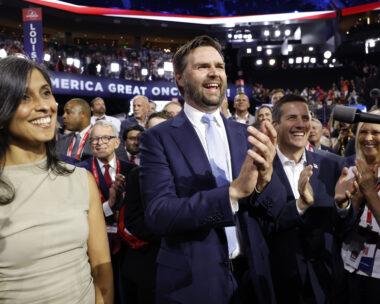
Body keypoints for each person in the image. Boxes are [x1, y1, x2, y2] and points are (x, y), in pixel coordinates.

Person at [139, 35, 277, 304]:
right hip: (193, 284)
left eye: (219, 66)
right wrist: (232, 193)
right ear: (179, 78)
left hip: (253, 280)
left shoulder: (246, 134)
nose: (214, 72)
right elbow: (159, 214)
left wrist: (265, 181)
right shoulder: (158, 138)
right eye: (202, 66)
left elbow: (272, 209)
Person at [0, 56, 113, 303]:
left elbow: (101, 273)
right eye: (24, 97)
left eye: (46, 93)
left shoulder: (81, 179)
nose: (44, 106)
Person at [252, 94, 357, 304]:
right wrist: (300, 206)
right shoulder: (259, 166)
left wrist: (342, 205)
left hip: (327, 281)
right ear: (275, 125)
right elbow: (260, 226)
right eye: (292, 118)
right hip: (277, 282)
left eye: (305, 117)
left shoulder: (334, 165)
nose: (301, 124)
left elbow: (346, 232)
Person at [77, 119, 136, 304]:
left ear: (117, 142)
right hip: (94, 247)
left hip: (128, 247)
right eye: (94, 139)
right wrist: (109, 206)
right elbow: (80, 214)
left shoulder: (132, 171)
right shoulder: (79, 172)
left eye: (105, 138)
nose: (99, 142)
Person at [120, 111, 172, 304]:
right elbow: (133, 221)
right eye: (151, 132)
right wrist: (173, 231)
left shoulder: (192, 172)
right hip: (148, 266)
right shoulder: (136, 175)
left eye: (162, 130)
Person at [341, 110, 380, 304]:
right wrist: (352, 202)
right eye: (363, 132)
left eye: (376, 132)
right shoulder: (348, 169)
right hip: (349, 268)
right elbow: (340, 230)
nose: (369, 138)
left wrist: (370, 192)